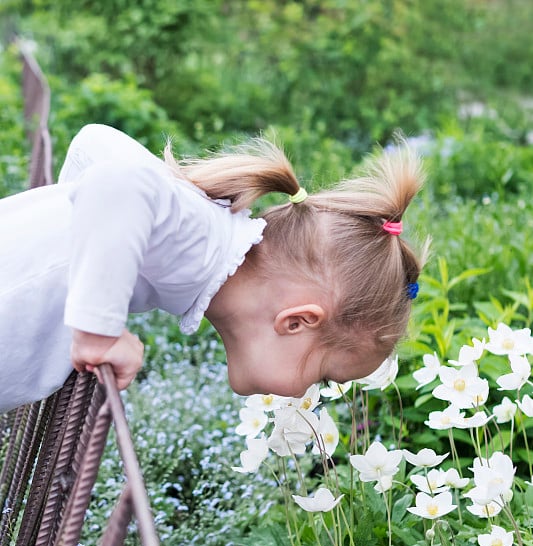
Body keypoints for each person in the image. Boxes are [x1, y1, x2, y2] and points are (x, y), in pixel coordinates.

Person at [0, 124, 426, 413]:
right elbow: (117, 185)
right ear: (297, 322)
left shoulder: (200, 227)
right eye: (323, 377)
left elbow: (94, 143)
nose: (304, 394)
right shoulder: (202, 239)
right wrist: (98, 333)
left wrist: (74, 242)